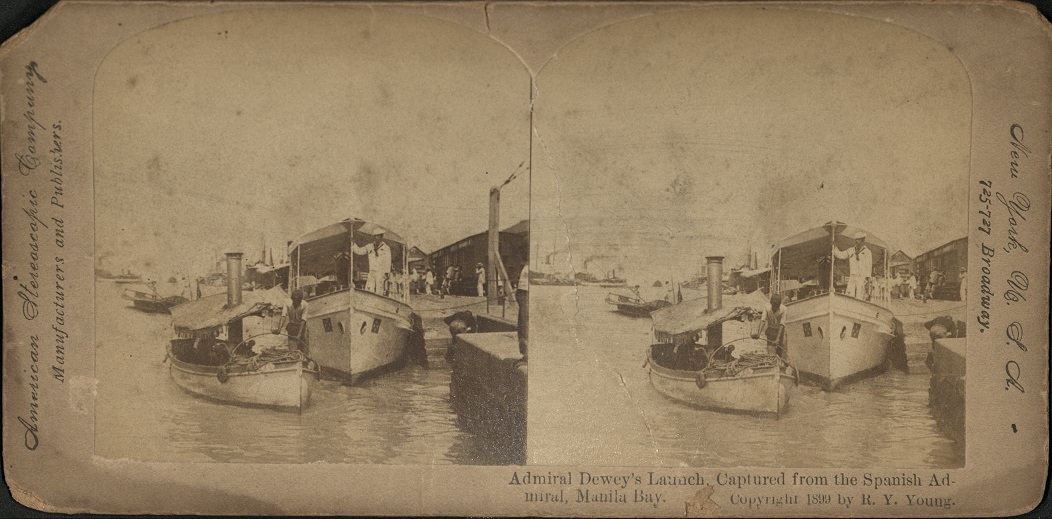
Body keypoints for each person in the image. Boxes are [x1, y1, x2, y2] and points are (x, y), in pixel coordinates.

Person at [833, 234, 873, 300]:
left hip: (862, 277)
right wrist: (834, 248)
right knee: (849, 295)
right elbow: (841, 255)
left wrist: (867, 278)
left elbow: (869, 266)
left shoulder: (867, 252)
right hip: (853, 276)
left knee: (860, 296)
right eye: (856, 240)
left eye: (858, 240)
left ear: (863, 241)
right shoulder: (851, 250)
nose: (856, 241)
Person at [274, 288, 309, 353]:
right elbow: (283, 316)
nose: (296, 302)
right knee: (292, 348)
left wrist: (299, 334)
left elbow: (303, 320)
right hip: (292, 326)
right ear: (292, 299)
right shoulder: (287, 302)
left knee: (302, 347)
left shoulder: (305, 305)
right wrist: (279, 329)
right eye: (294, 300)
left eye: (298, 301)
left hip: (301, 327)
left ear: (301, 300)